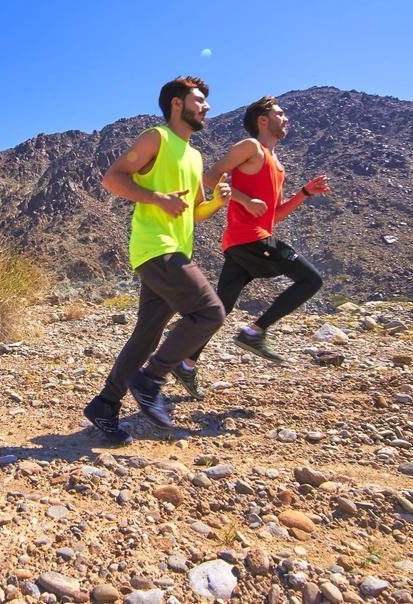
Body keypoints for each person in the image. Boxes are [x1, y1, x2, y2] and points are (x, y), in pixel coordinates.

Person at [84, 76, 230, 444]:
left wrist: (217, 202)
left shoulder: (195, 156)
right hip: (155, 247)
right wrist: (157, 198)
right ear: (177, 104)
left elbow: (196, 212)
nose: (207, 106)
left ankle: (105, 404)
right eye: (199, 100)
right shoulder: (156, 138)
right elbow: (113, 179)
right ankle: (151, 379)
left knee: (147, 335)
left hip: (176, 249)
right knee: (210, 312)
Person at [174, 96, 329, 381]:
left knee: (220, 308)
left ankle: (185, 363)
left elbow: (274, 216)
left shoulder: (278, 165)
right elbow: (210, 177)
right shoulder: (250, 147)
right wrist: (243, 200)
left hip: (247, 241)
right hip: (250, 239)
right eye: (279, 114)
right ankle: (254, 332)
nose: (286, 118)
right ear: (263, 120)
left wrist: (304, 193)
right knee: (312, 279)